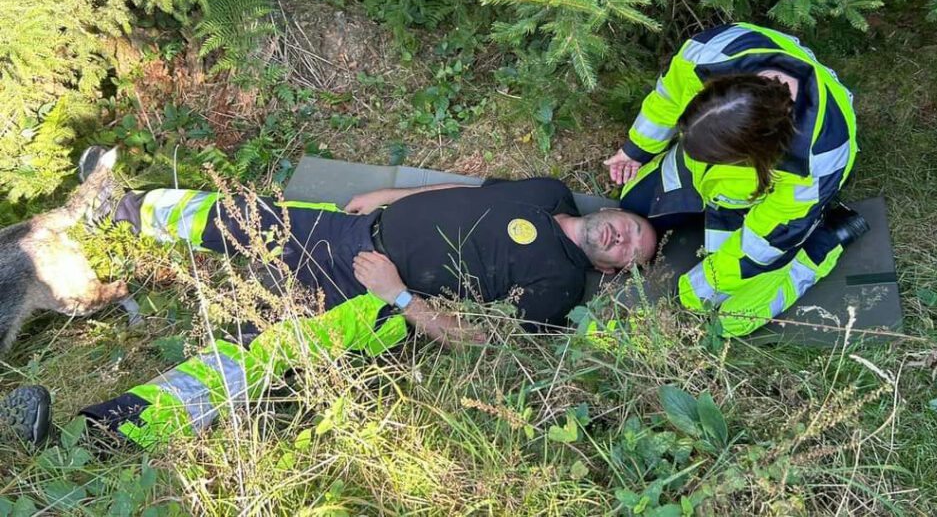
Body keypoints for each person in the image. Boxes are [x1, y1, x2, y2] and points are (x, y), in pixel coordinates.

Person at [0, 150, 657, 448]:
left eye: (635, 250)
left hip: (372, 297)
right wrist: (389, 198)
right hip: (353, 227)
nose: (627, 236)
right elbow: (464, 193)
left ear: (618, 269)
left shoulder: (561, 285)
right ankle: (116, 208)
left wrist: (400, 300)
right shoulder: (548, 193)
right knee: (237, 216)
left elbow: (486, 338)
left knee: (251, 363)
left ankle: (86, 438)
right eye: (634, 227)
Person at [603, 22, 868, 337]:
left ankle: (822, 243)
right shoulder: (708, 53)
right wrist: (635, 150)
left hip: (763, 202)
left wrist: (695, 289)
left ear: (753, 156)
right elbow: (668, 97)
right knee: (633, 201)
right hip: (721, 174)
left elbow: (758, 246)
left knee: (727, 318)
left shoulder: (814, 162)